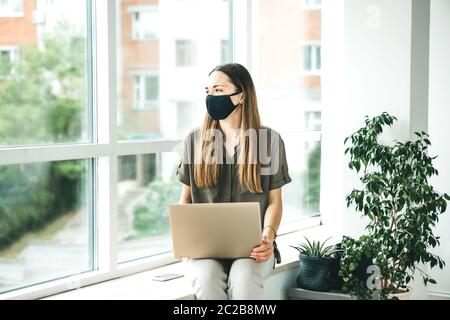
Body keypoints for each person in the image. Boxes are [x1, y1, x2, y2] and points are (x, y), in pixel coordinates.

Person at [176, 63, 292, 300]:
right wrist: (183, 239)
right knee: (206, 278)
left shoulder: (269, 141)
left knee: (243, 277)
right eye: (207, 91)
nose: (211, 97)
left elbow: (274, 202)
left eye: (218, 90)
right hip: (204, 250)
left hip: (254, 250)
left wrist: (268, 236)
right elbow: (185, 199)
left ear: (242, 96)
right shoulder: (194, 141)